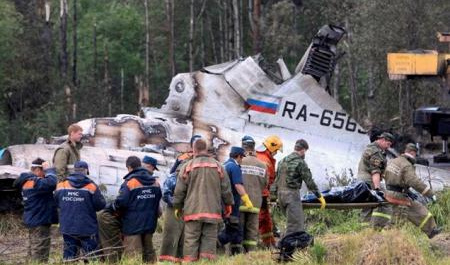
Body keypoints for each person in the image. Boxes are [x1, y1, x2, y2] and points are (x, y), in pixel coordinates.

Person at [173, 139, 234, 262]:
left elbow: (179, 191)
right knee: (209, 240)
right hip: (213, 211)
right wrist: (229, 204)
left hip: (192, 211)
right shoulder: (218, 166)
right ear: (205, 149)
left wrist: (177, 206)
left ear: (194, 150)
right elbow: (226, 189)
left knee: (191, 240)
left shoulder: (187, 167)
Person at [377, 143, 441, 238]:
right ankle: (382, 238)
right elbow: (414, 181)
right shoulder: (406, 165)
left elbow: (386, 175)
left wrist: (406, 190)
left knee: (418, 209)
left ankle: (431, 230)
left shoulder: (393, 161)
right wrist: (430, 194)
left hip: (390, 192)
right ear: (412, 152)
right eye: (415, 154)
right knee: (398, 219)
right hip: (398, 196)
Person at [112, 156, 162, 263]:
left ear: (129, 168)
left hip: (132, 226)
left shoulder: (130, 182)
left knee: (133, 256)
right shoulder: (155, 182)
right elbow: (157, 201)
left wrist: (112, 207)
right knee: (149, 254)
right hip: (150, 224)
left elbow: (121, 203)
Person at [272, 139, 326, 236]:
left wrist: (273, 196)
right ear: (303, 150)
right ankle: (288, 248)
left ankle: (286, 245)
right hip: (291, 196)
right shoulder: (300, 162)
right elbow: (309, 181)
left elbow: (276, 181)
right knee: (295, 226)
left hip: (280, 196)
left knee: (290, 223)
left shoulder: (282, 161)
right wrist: (319, 196)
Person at [55, 161, 106, 261]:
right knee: (91, 257)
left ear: (74, 170)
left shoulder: (62, 185)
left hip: (68, 227)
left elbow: (57, 202)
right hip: (87, 228)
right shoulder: (92, 186)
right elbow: (100, 205)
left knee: (69, 257)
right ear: (86, 171)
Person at [13, 158, 58, 263]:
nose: (44, 174)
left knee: (33, 249)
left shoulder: (26, 181)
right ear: (38, 169)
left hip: (33, 219)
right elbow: (52, 183)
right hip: (40, 220)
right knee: (40, 251)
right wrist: (50, 170)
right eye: (43, 171)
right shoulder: (34, 182)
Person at [218, 146, 254, 255]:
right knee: (234, 230)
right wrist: (247, 199)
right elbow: (238, 185)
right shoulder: (234, 167)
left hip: (222, 204)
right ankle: (217, 242)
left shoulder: (224, 165)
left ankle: (224, 250)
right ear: (238, 156)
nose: (242, 160)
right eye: (242, 157)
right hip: (231, 205)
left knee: (229, 228)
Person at [357, 132, 394, 224]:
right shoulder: (376, 152)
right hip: (370, 182)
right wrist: (377, 189)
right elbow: (375, 172)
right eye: (388, 144)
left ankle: (364, 230)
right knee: (386, 201)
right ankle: (380, 227)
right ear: (382, 140)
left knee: (367, 206)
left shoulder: (371, 148)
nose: (388, 147)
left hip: (363, 181)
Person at [239, 136, 267, 252]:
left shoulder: (239, 162)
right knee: (252, 231)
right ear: (253, 147)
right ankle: (251, 254)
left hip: (241, 201)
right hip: (255, 203)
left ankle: (236, 255)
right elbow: (265, 184)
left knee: (239, 228)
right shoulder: (263, 165)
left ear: (243, 147)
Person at [256, 135, 283, 247]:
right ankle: (266, 244)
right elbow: (269, 180)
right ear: (272, 148)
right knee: (262, 218)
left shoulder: (258, 155)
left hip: (254, 192)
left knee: (264, 218)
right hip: (261, 193)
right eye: (276, 150)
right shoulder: (266, 161)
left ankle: (268, 242)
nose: (276, 153)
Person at [159, 172, 184, 262]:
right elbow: (166, 194)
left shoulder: (194, 176)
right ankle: (166, 262)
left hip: (188, 210)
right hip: (173, 209)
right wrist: (175, 203)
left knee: (183, 240)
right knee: (170, 238)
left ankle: (179, 261)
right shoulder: (173, 177)